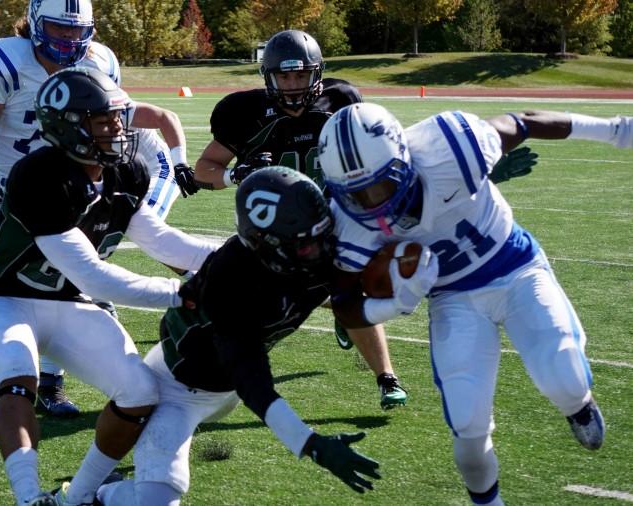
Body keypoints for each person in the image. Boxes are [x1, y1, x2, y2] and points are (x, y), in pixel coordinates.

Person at [317, 102, 632, 505]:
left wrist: (618, 130)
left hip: (515, 266)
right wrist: (394, 306)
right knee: (467, 428)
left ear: (403, 159)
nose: (371, 204)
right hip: (453, 298)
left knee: (564, 376)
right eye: (355, 195)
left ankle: (578, 407)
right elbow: (342, 302)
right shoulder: (347, 221)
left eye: (379, 187)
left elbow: (525, 122)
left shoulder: (450, 145)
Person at [0, 68, 216, 506]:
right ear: (68, 126)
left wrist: (237, 259)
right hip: (5, 299)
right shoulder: (39, 175)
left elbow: (163, 241)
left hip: (70, 303)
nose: (117, 129)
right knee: (19, 375)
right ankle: (28, 498)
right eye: (103, 121)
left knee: (141, 391)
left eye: (117, 118)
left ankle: (78, 497)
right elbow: (93, 276)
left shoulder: (126, 172)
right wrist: (178, 293)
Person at [91, 167, 381, 506]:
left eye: (322, 236)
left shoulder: (318, 242)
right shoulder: (230, 279)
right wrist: (308, 442)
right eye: (304, 246)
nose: (319, 252)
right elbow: (251, 376)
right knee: (157, 500)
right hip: (176, 389)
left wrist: (407, 288)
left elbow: (355, 294)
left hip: (223, 387)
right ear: (266, 245)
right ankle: (103, 494)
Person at [0, 0, 190, 416]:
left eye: (77, 29)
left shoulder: (101, 60)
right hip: (16, 179)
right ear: (34, 23)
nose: (69, 38)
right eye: (59, 29)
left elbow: (116, 115)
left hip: (73, 177)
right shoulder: (6, 61)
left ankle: (51, 378)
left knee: (74, 273)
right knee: (2, 280)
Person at [186, 29, 407, 410]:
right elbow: (204, 168)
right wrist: (234, 175)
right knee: (250, 307)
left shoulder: (341, 102)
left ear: (317, 73)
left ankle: (386, 377)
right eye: (284, 76)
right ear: (268, 77)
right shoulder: (245, 113)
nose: (292, 85)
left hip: (334, 218)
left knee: (353, 290)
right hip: (273, 231)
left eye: (300, 75)